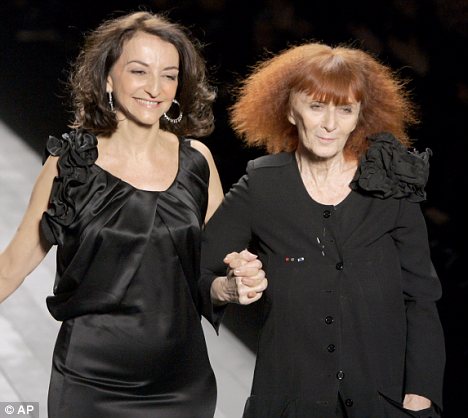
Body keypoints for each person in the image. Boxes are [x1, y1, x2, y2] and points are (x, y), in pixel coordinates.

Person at [0, 11, 266, 418]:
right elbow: (12, 267)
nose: (155, 88)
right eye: (139, 71)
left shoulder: (197, 161)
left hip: (182, 383)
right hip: (90, 382)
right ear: (108, 78)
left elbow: (214, 268)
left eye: (169, 75)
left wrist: (234, 284)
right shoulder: (71, 165)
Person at [200, 42, 445, 418]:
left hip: (383, 403)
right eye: (316, 106)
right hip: (287, 403)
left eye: (345, 110)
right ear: (290, 109)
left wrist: (421, 393)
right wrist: (226, 288)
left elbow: (422, 299)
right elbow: (198, 271)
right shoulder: (263, 186)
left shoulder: (390, 183)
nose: (331, 124)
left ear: (360, 114)